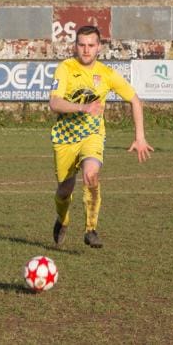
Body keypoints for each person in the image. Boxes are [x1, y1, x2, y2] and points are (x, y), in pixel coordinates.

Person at [49, 25, 153, 248]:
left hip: (92, 136)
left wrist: (140, 137)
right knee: (64, 189)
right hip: (65, 138)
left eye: (91, 45)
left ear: (99, 47)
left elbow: (135, 100)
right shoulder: (65, 68)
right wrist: (83, 108)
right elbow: (54, 103)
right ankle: (63, 219)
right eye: (82, 45)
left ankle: (91, 230)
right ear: (75, 46)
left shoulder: (106, 74)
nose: (86, 50)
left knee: (91, 173)